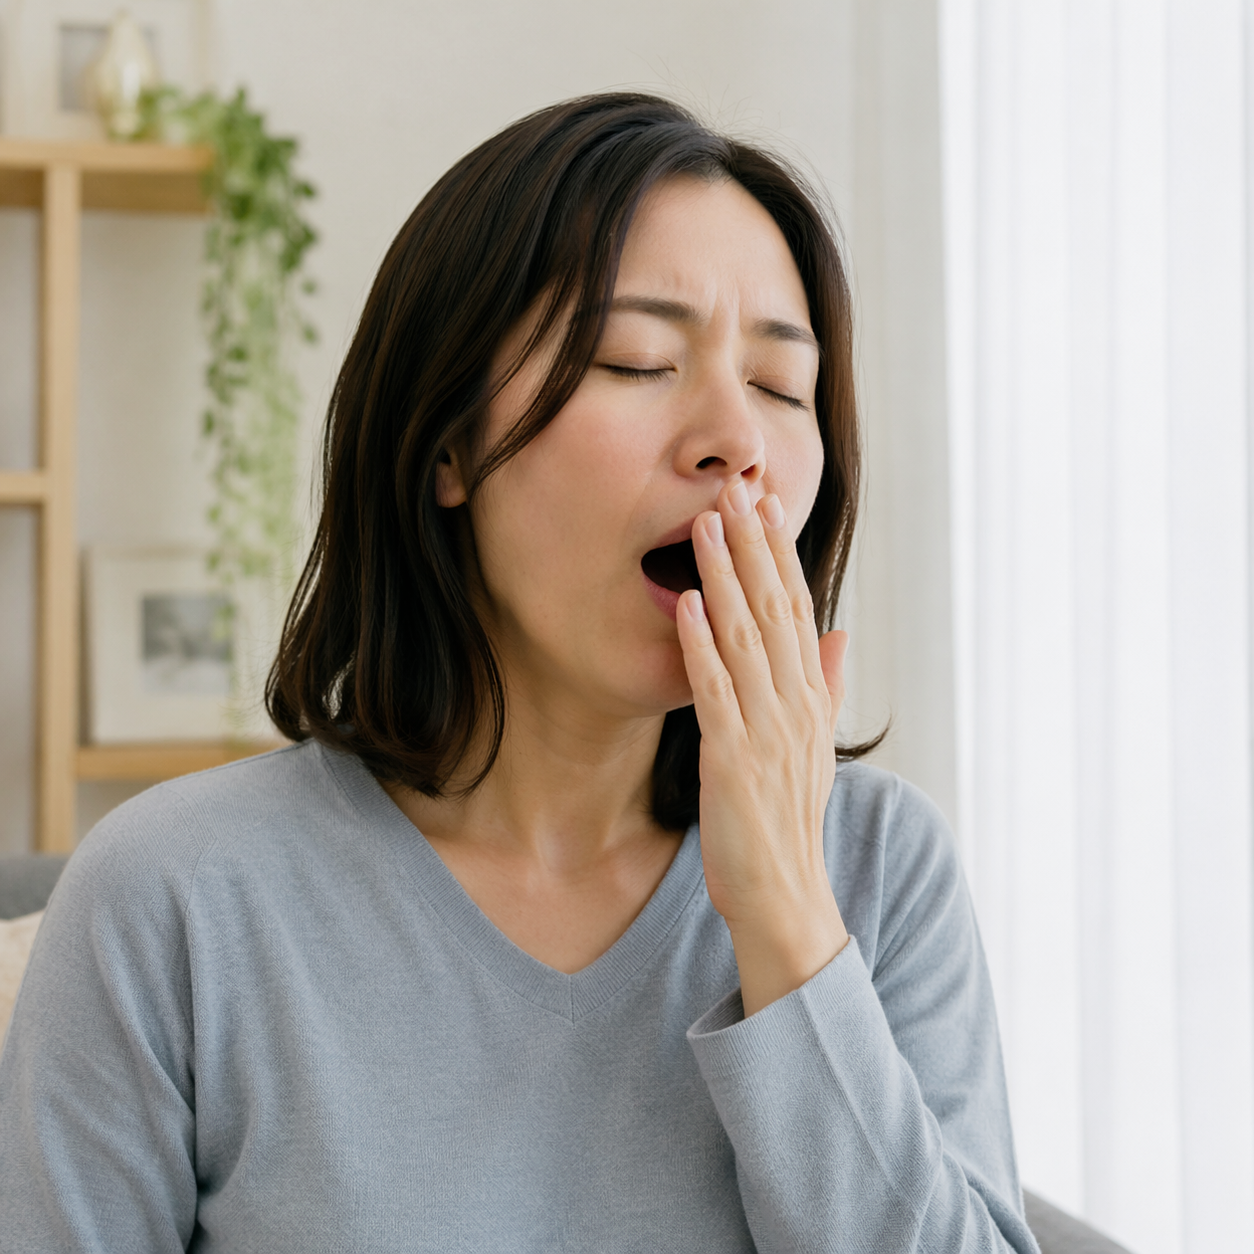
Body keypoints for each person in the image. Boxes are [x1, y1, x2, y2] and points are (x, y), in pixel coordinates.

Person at [0, 93, 1039, 1253]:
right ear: (447, 445)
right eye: (637, 359)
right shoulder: (171, 899)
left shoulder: (884, 876)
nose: (735, 439)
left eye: (783, 389)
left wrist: (789, 920)